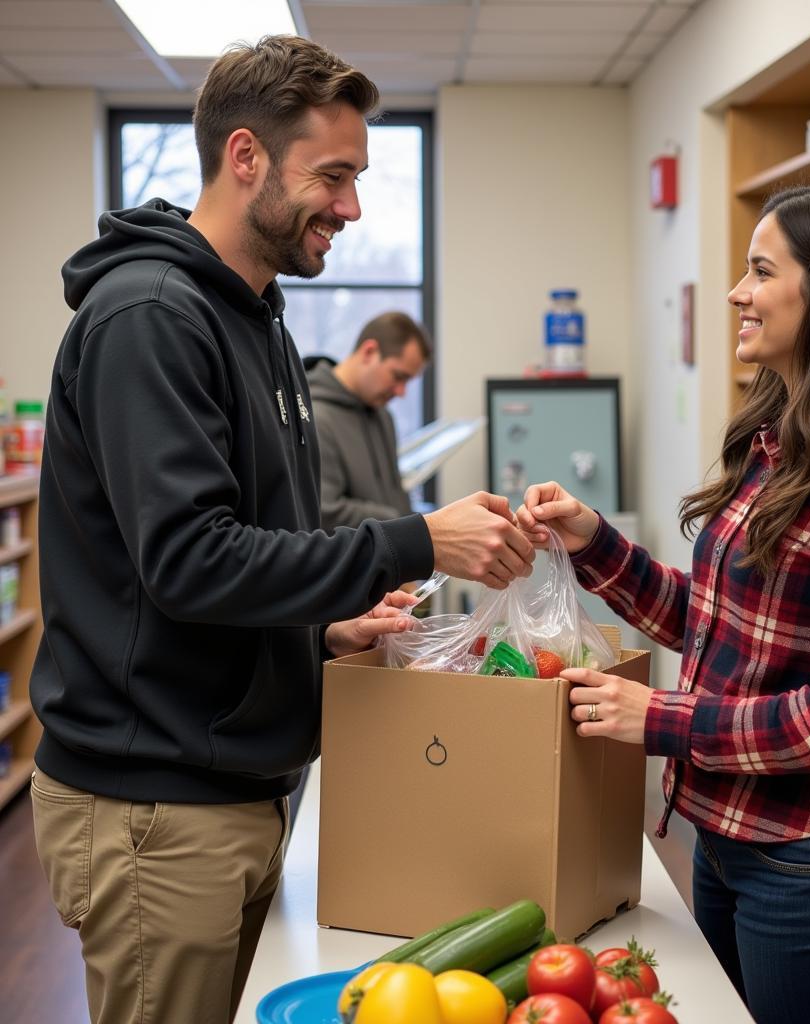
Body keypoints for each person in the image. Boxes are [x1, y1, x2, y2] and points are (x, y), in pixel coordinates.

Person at [29, 35, 534, 1024]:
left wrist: (321, 629)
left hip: (237, 787)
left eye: (357, 179)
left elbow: (230, 558)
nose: (350, 207)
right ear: (246, 157)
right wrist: (417, 541)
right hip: (156, 808)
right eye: (333, 176)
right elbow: (188, 561)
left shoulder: (254, 320)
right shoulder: (151, 316)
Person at [517, 183, 810, 1024]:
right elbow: (722, 626)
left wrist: (663, 720)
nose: (736, 292)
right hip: (726, 836)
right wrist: (594, 542)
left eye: (760, 271)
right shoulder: (788, 438)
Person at [306, 311, 430, 529]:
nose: (401, 392)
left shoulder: (383, 416)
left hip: (390, 557)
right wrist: (397, 521)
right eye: (398, 376)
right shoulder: (315, 418)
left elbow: (395, 494)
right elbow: (324, 510)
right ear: (369, 352)